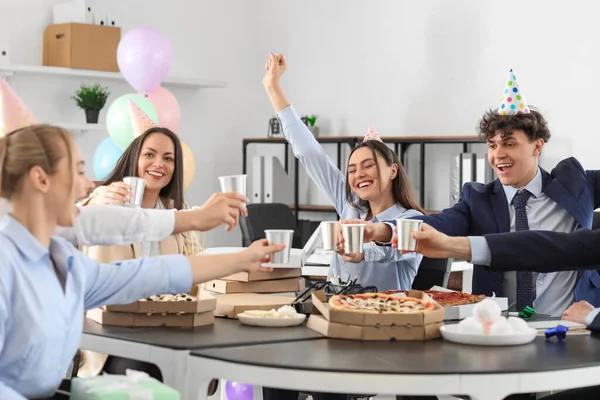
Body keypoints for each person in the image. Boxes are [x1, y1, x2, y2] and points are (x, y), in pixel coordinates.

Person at [0, 123, 284, 399]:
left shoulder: (67, 266)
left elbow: (152, 273)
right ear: (40, 179)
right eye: (79, 171)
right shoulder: (7, 265)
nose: (88, 186)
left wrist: (244, 259)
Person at [360, 69, 600, 317]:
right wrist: (382, 229)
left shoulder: (574, 182)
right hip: (500, 326)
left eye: (509, 143)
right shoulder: (478, 199)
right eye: (492, 145)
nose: (498, 155)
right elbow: (438, 223)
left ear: (537, 146)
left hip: (574, 324)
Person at [263, 53, 425, 293]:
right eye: (352, 169)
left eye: (368, 165)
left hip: (386, 318)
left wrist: (361, 251)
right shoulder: (350, 205)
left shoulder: (412, 219)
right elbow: (309, 152)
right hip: (335, 311)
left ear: (392, 171)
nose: (358, 174)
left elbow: (391, 247)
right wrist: (273, 87)